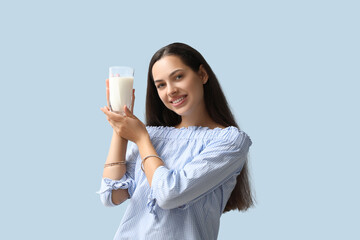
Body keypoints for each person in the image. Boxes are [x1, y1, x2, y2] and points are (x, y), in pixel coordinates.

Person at [98, 42, 254, 240]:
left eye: (178, 77)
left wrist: (141, 138)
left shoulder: (229, 141)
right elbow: (112, 195)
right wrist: (120, 123)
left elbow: (169, 194)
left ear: (202, 75)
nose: (170, 90)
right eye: (161, 85)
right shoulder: (152, 134)